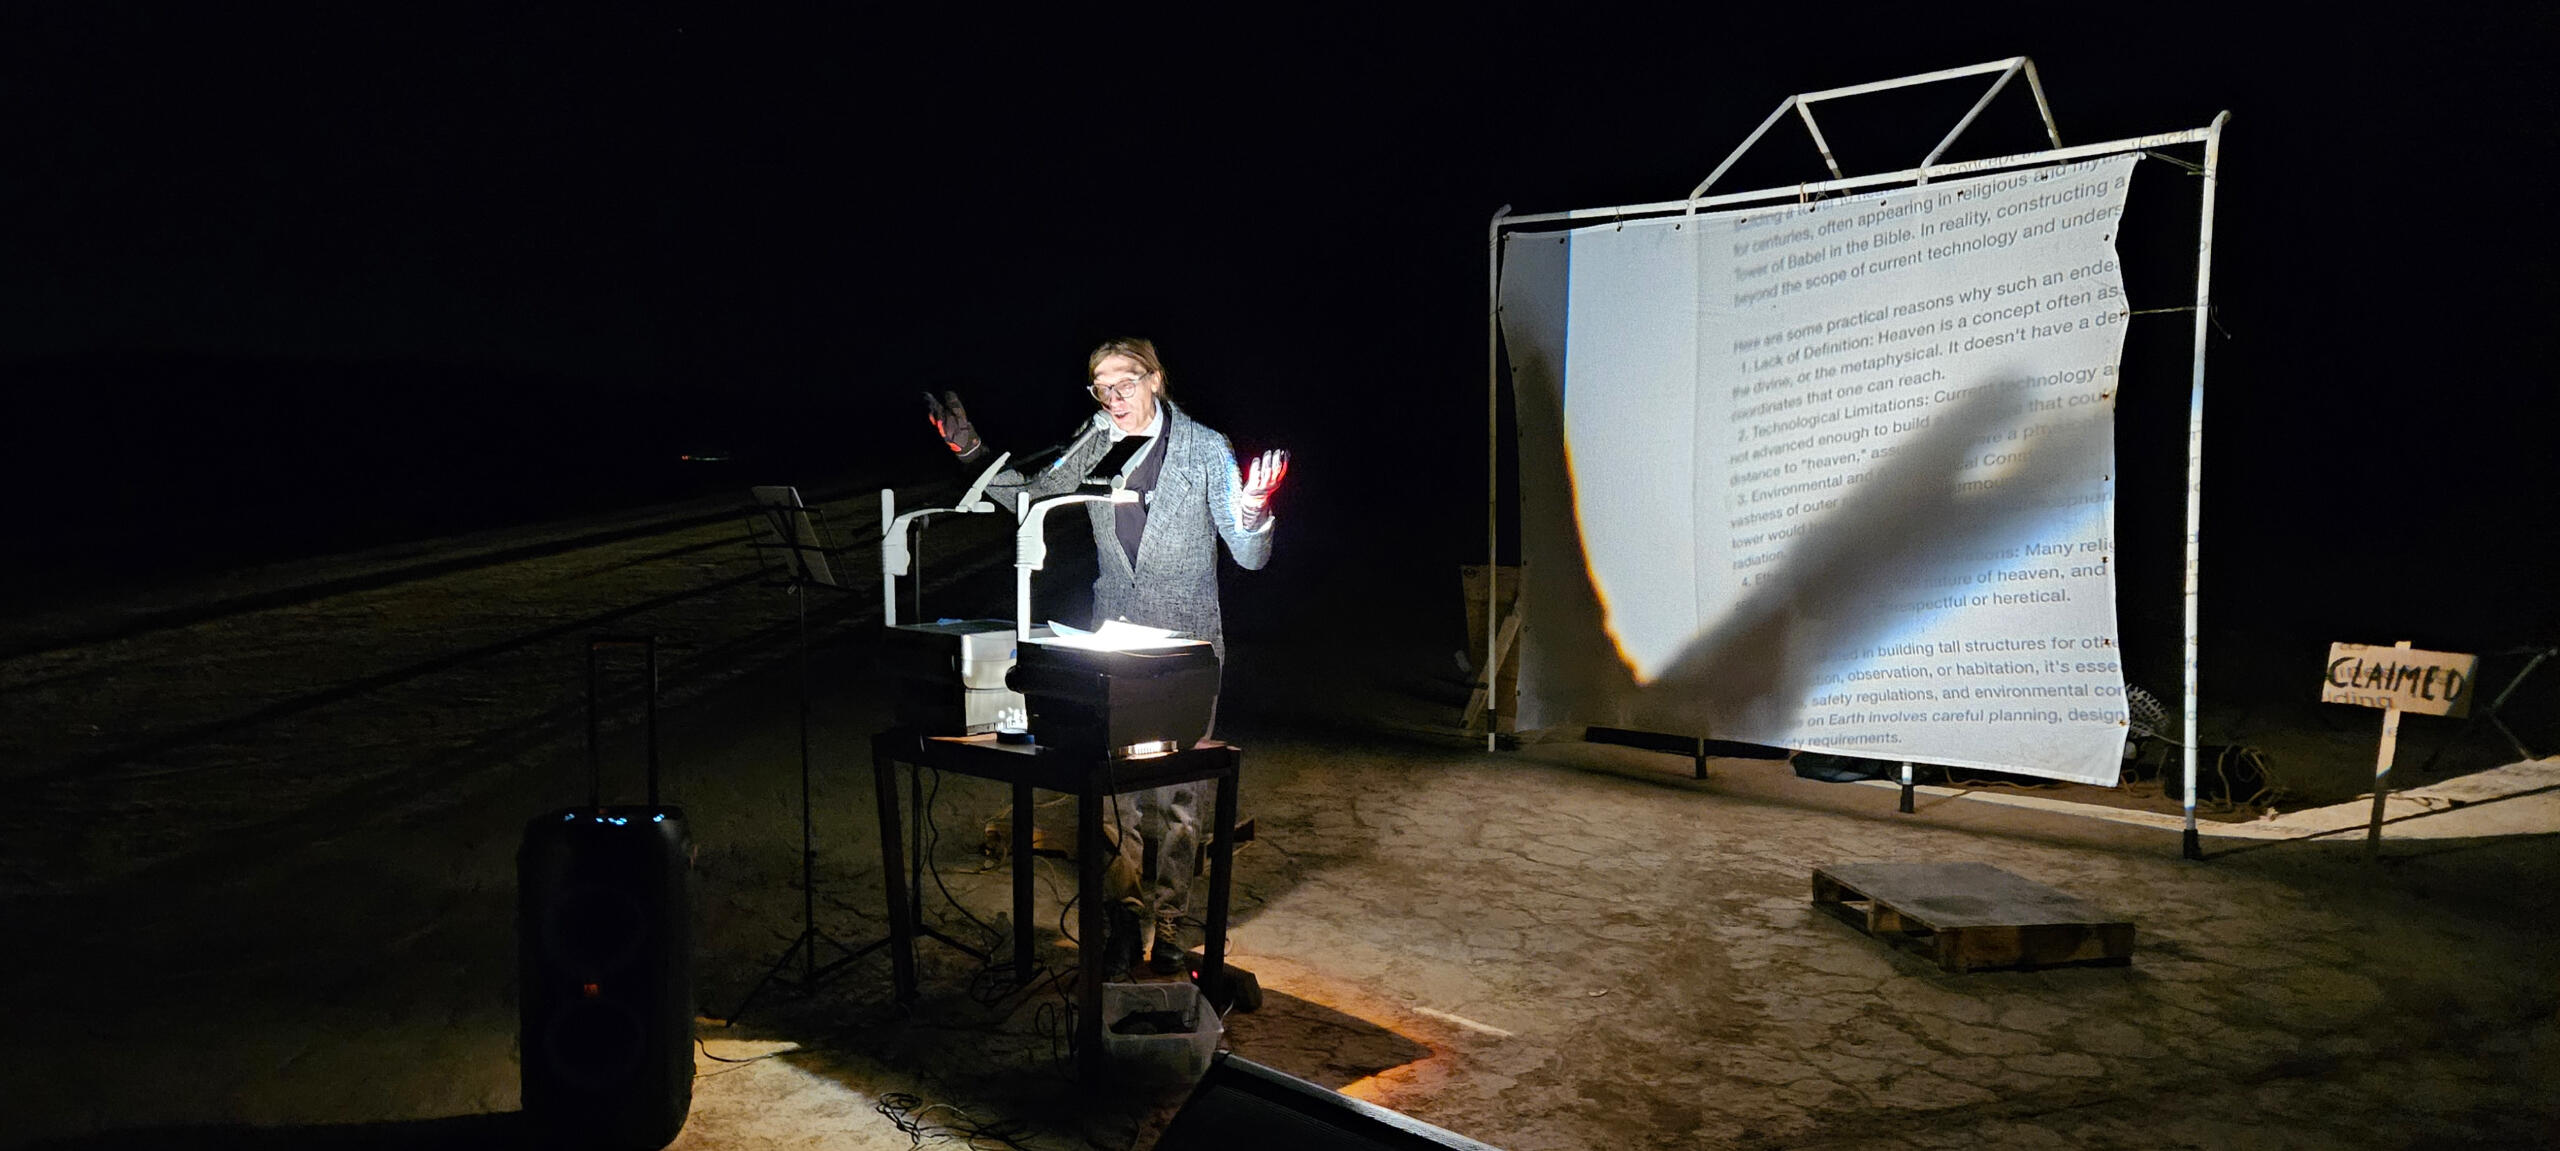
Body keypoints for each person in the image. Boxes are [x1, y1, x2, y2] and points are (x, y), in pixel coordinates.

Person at [925, 337, 1288, 974]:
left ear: (1156, 380)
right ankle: (1124, 915)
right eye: (1101, 386)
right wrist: (972, 452)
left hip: (1184, 647)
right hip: (1112, 641)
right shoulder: (1096, 442)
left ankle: (1171, 923)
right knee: (1116, 789)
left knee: (1176, 796)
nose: (1113, 397)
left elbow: (1249, 554)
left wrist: (1254, 511)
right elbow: (1031, 500)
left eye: (1124, 382)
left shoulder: (1206, 449)